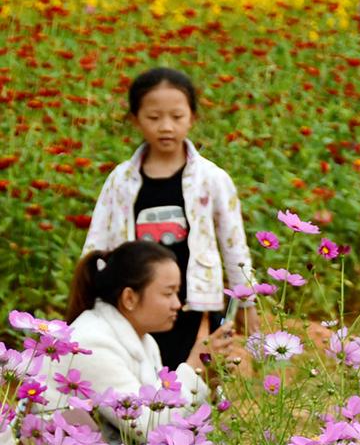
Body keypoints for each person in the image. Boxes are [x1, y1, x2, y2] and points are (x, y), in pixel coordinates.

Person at [82, 67, 256, 370]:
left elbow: (234, 246)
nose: (166, 127)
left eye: (176, 117)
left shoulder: (211, 179)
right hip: (138, 303)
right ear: (135, 119)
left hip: (196, 302)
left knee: (197, 377)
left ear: (192, 117)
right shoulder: (121, 180)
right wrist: (91, 297)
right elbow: (99, 240)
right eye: (153, 117)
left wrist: (248, 303)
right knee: (145, 379)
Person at [50, 241, 234, 441]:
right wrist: (194, 370)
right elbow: (146, 428)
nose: (177, 304)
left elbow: (165, 416)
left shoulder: (144, 340)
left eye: (177, 293)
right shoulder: (91, 343)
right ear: (129, 298)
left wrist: (209, 383)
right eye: (168, 293)